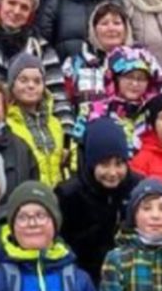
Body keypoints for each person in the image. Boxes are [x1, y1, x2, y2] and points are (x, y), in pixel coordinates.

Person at [59, 118, 140, 282]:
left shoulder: (137, 189)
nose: (112, 172)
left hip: (128, 278)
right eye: (104, 164)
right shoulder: (68, 195)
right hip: (81, 278)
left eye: (119, 163)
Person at [61, 0, 134, 126]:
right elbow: (63, 105)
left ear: (126, 29)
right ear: (93, 29)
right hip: (86, 137)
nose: (111, 28)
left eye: (117, 23)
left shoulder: (141, 61)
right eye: (104, 23)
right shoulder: (74, 64)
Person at [3, 54, 69, 188]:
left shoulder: (55, 124)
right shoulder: (6, 124)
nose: (31, 86)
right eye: (23, 80)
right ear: (12, 85)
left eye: (37, 81)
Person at [80, 46, 162, 147]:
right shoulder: (92, 111)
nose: (135, 84)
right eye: (129, 76)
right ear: (115, 79)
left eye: (141, 79)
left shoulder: (155, 115)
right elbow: (77, 152)